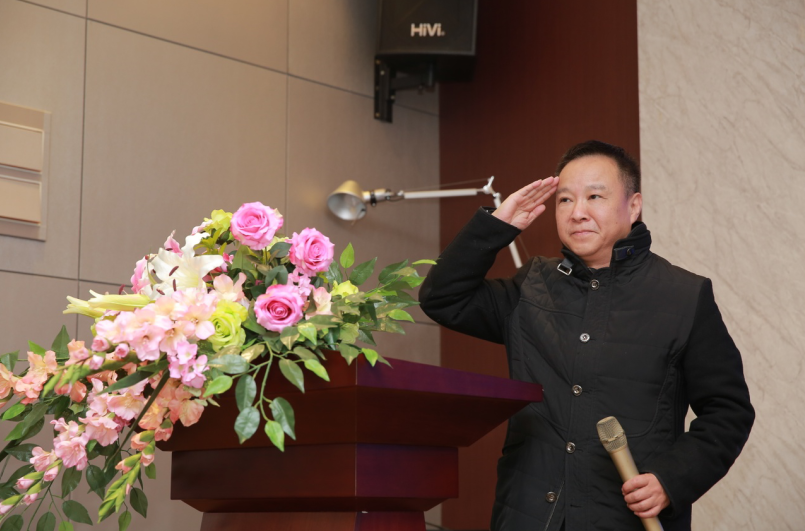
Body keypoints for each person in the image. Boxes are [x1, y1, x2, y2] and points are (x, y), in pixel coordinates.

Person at [419, 140, 754, 531]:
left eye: (595, 196)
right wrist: (496, 227)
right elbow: (442, 299)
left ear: (633, 206)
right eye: (565, 200)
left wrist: (670, 480)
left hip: (625, 519)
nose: (577, 212)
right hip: (529, 517)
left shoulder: (684, 296)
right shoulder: (532, 285)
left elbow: (728, 412)